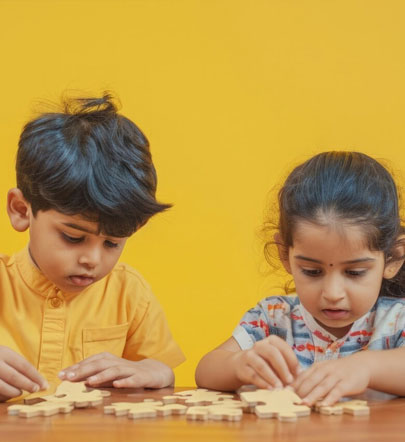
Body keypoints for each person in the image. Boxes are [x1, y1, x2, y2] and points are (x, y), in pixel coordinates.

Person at [0, 93, 185, 402]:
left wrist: (159, 373)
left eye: (113, 242)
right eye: (73, 238)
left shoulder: (130, 294)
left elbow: (159, 371)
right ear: (21, 210)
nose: (92, 260)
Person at [196, 151, 405, 406]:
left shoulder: (396, 321)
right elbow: (206, 370)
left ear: (393, 258)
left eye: (354, 272)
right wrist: (240, 365)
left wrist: (366, 368)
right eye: (312, 271)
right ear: (285, 254)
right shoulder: (273, 318)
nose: (333, 292)